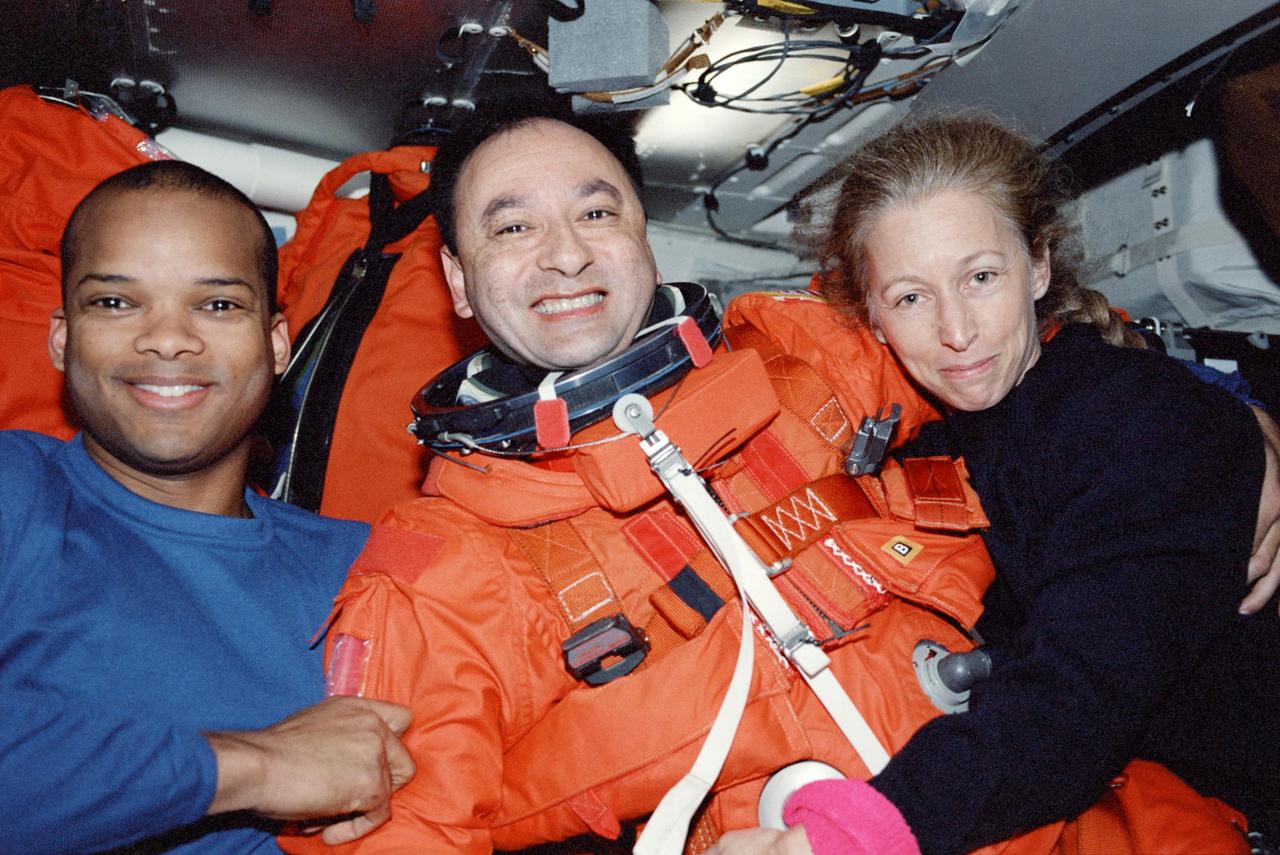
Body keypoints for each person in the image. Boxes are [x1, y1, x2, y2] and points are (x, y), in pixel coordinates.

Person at [279, 102, 1266, 855]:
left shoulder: (808, 359)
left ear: (641, 231)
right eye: (510, 229)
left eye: (595, 210)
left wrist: (1240, 427)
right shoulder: (439, 573)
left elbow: (1014, 371)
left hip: (1077, 812)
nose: (566, 253)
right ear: (454, 277)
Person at [710, 114, 1280, 855]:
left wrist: (840, 838)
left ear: (1038, 267)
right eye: (911, 297)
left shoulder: (1146, 420)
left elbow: (1078, 697)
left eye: (981, 277)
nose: (956, 331)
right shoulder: (934, 447)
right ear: (873, 317)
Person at [0, 160, 415, 854]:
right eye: (114, 302)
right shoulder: (17, 492)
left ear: (277, 343)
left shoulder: (371, 565)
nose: (167, 339)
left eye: (218, 304)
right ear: (61, 336)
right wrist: (258, 765)